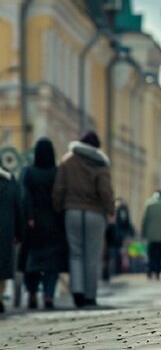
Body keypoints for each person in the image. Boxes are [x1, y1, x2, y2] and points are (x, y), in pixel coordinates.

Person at [52, 130, 114, 308]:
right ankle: (90, 295)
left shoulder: (68, 160)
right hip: (95, 213)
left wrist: (59, 208)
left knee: (76, 254)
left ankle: (77, 293)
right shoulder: (100, 162)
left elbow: (59, 188)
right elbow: (105, 190)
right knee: (92, 256)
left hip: (72, 211)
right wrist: (110, 209)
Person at [20, 138, 64, 310]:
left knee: (31, 261)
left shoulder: (28, 172)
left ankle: (31, 293)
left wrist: (29, 217)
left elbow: (25, 197)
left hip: (33, 225)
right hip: (54, 223)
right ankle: (48, 295)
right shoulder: (57, 172)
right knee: (51, 264)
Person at [0, 164, 23, 315]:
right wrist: (19, 233)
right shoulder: (9, 181)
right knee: (1, 266)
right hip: (5, 230)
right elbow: (18, 207)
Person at [105, 198, 135, 279]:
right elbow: (127, 223)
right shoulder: (122, 209)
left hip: (113, 235)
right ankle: (116, 271)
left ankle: (113, 271)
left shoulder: (116, 209)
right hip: (117, 235)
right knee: (119, 254)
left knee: (113, 254)